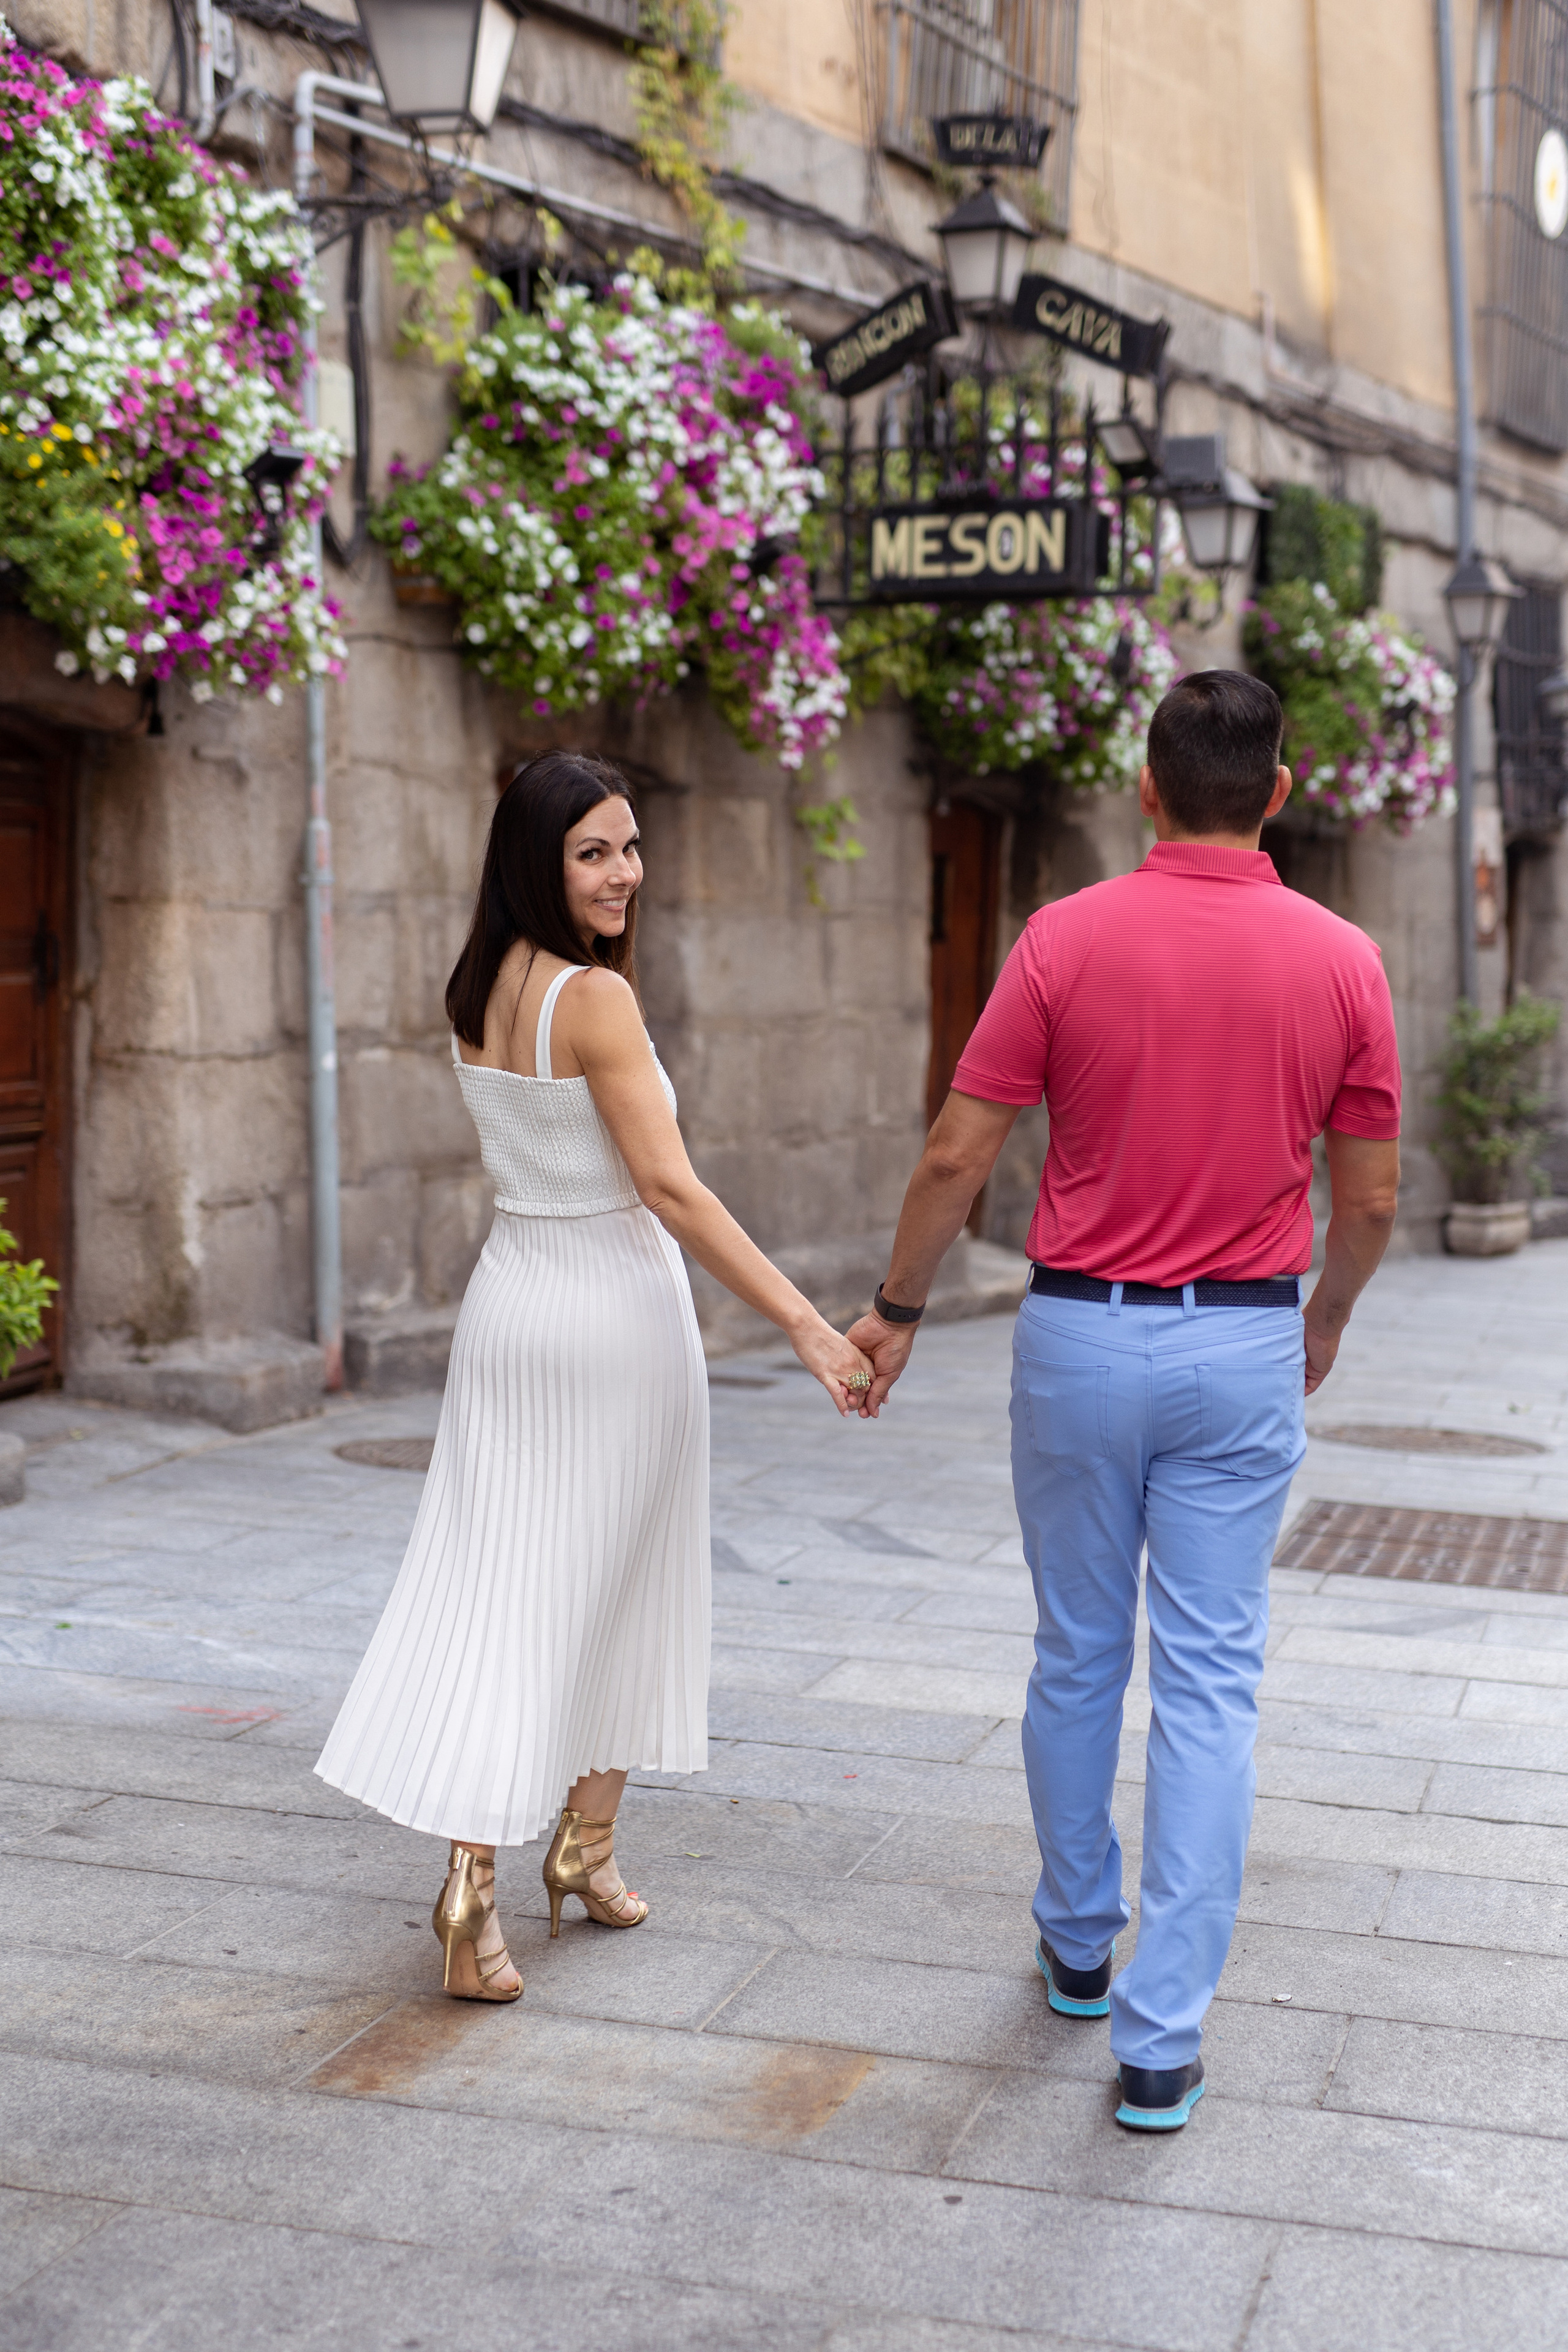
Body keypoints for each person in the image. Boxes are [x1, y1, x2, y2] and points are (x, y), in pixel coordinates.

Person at [846, 671, 1401, 2130]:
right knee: (1209, 1684)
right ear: (1276, 793)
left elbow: (957, 1152)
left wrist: (896, 1310)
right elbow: (1369, 1198)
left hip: (1078, 1341)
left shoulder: (1060, 937)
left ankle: (1078, 1943)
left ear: (1144, 788)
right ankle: (1160, 2039)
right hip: (1241, 1346)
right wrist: (1323, 1319)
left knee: (1076, 1652)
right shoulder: (1344, 960)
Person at [317, 751, 872, 2002]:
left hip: (511, 1301)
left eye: (628, 846)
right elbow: (669, 1188)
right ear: (539, 860)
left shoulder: (478, 986)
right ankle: (526, 1866)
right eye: (593, 853)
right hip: (612, 1313)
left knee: (508, 1589)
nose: (625, 873)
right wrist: (802, 1324)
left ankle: (554, 1859)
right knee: (616, 1583)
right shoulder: (595, 999)